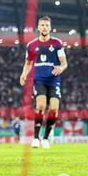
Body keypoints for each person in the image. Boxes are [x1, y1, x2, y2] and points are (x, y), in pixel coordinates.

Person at [20, 15, 67, 149]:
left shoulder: (57, 43)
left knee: (54, 109)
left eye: (47, 25)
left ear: (50, 28)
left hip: (54, 80)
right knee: (40, 105)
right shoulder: (32, 45)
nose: (44, 27)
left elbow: (64, 63)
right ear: (38, 27)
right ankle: (36, 138)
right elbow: (28, 64)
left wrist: (61, 68)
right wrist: (24, 74)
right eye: (42, 25)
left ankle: (45, 138)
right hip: (39, 79)